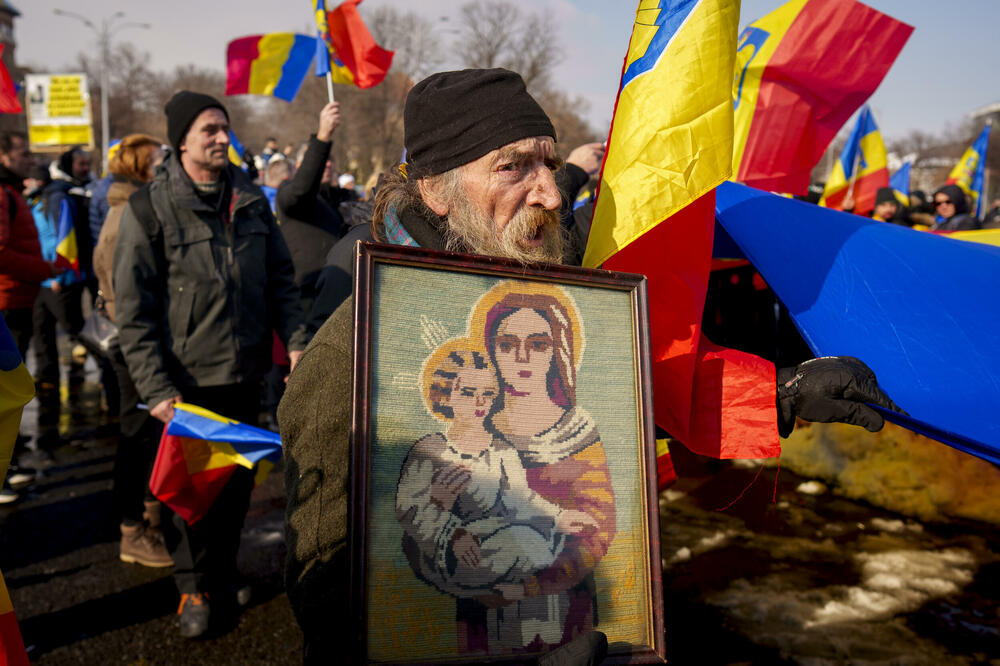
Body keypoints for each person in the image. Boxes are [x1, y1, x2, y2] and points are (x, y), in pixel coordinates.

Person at [279, 68, 899, 663]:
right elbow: (327, 581)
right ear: (437, 191)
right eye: (512, 167)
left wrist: (780, 393)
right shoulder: (354, 348)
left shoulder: (557, 293)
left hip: (580, 613)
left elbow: (627, 397)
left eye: (549, 163)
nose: (550, 193)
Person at [113, 91, 309, 638]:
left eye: (224, 127)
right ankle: (193, 588)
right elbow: (135, 311)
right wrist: (155, 389)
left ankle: (221, 574)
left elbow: (280, 283)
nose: (222, 137)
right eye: (209, 130)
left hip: (245, 378)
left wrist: (296, 342)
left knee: (233, 492)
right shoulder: (148, 209)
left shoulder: (249, 199)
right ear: (182, 141)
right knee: (189, 498)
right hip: (186, 387)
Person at [397, 339, 595, 613]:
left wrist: (559, 516)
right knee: (520, 548)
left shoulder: (501, 450)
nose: (480, 402)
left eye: (488, 393)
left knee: (532, 543)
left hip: (501, 536)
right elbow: (409, 508)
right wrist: (451, 530)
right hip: (452, 553)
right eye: (468, 392)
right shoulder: (431, 449)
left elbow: (521, 499)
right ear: (445, 395)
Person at [92, 133, 171, 568]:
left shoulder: (132, 207)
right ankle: (132, 531)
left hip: (135, 338)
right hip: (131, 342)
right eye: (157, 159)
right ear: (141, 168)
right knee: (136, 434)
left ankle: (147, 516)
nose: (165, 165)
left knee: (144, 432)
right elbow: (123, 287)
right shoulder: (126, 215)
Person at [0, 131, 60, 504]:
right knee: (5, 393)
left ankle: (11, 461)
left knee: (12, 390)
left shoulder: (11, 190)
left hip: (17, 299)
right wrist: (45, 269)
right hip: (6, 301)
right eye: (22, 153)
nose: (29, 158)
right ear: (3, 156)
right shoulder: (2, 193)